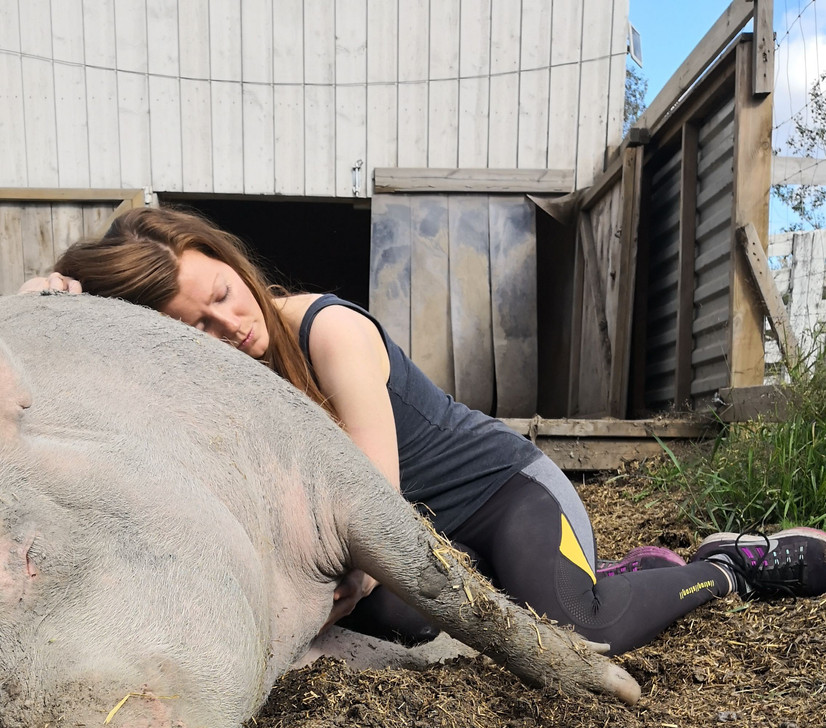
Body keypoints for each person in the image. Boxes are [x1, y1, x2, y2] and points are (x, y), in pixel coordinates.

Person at [18, 207, 826, 657]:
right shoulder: (208, 398)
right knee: (407, 626)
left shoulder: (326, 332)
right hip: (428, 551)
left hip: (502, 496)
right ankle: (584, 575)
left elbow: (379, 512)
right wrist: (43, 307)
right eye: (194, 325)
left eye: (224, 291)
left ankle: (729, 567)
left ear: (233, 261)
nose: (230, 324)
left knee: (584, 631)